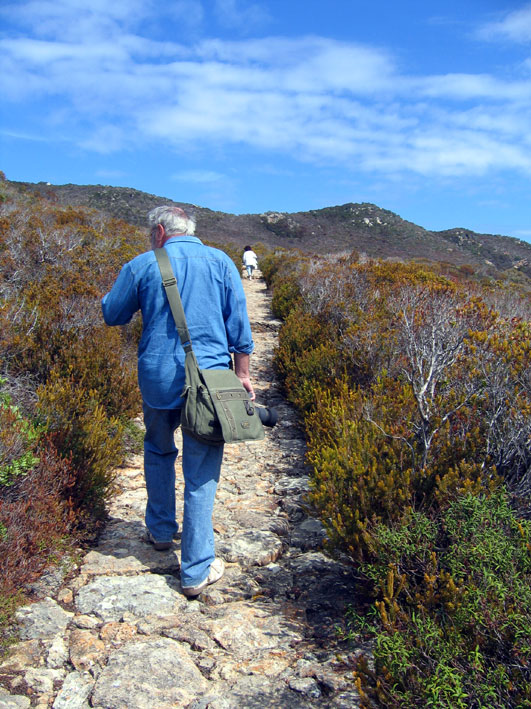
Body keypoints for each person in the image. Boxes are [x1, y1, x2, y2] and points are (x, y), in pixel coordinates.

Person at [101, 205, 255, 597]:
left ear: (158, 231)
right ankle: (196, 569)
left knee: (157, 448)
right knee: (201, 469)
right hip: (210, 380)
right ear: (189, 229)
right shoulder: (221, 261)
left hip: (157, 377)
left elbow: (113, 315)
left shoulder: (141, 265)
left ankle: (160, 531)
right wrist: (243, 374)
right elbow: (239, 324)